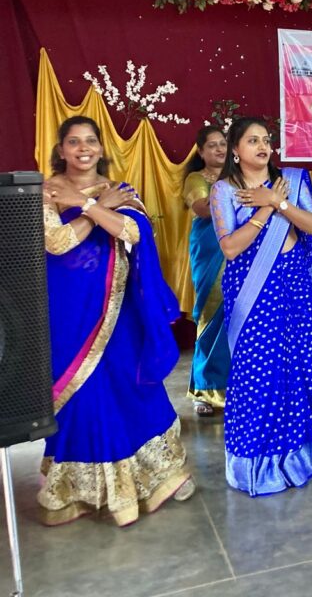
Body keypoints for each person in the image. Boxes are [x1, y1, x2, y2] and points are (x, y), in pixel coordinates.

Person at [39, 116, 193, 526]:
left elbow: (133, 232)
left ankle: (157, 476)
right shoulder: (47, 190)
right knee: (83, 394)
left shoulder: (118, 190)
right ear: (61, 149)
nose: (83, 149)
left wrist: (88, 204)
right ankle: (80, 492)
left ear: (101, 148)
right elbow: (57, 242)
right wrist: (97, 210)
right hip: (70, 314)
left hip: (119, 313)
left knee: (130, 385)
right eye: (74, 142)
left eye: (90, 141)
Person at [210, 117, 312, 496]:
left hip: (295, 285)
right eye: (252, 140)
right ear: (235, 150)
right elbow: (230, 248)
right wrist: (264, 211)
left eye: (266, 140)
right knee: (259, 372)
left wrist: (277, 201)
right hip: (253, 291)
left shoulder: (293, 180)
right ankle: (256, 461)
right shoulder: (224, 190)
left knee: (305, 363)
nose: (262, 146)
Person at [183, 126, 230, 417]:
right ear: (201, 151)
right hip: (209, 251)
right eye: (212, 145)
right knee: (210, 316)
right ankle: (204, 390)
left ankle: (234, 387)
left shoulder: (238, 176)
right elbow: (202, 208)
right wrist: (236, 191)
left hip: (239, 251)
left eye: (223, 144)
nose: (219, 149)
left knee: (236, 319)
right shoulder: (196, 178)